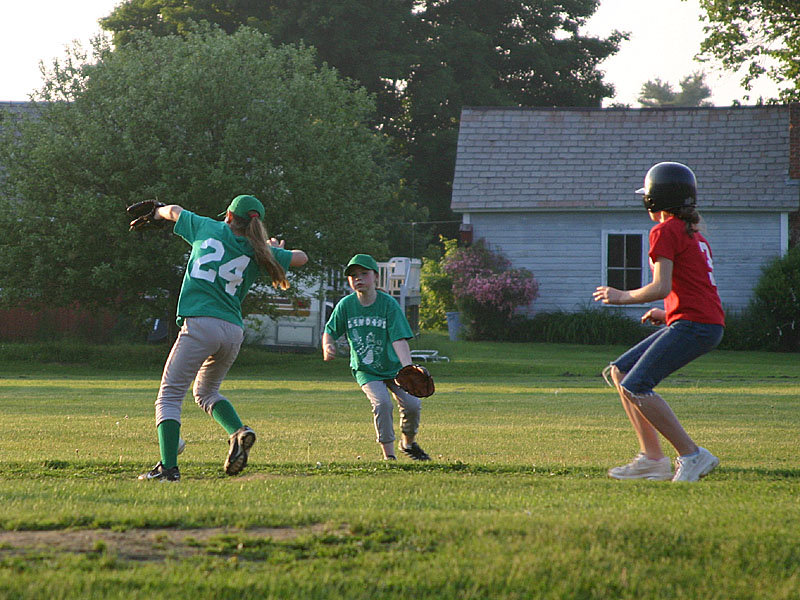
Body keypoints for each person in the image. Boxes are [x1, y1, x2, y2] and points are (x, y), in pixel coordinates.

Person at [136, 194, 308, 481]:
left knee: (169, 395)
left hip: (201, 325)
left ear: (228, 216)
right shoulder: (257, 249)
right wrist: (269, 249)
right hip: (232, 331)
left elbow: (175, 211)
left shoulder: (208, 227)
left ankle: (168, 469)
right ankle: (238, 432)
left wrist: (156, 212)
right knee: (205, 392)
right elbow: (302, 258)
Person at [593, 162, 724, 482]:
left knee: (636, 386)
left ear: (653, 200)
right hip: (700, 322)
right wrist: (669, 314)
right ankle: (652, 458)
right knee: (621, 371)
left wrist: (620, 296)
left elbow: (661, 287)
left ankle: (692, 455)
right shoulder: (694, 233)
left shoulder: (664, 230)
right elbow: (697, 290)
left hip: (696, 325)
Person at [322, 254, 430, 461]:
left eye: (364, 273)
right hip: (366, 369)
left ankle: (407, 444)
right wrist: (328, 345)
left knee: (413, 405)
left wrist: (408, 368)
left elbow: (399, 339)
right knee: (382, 404)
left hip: (394, 367)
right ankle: (389, 457)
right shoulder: (346, 305)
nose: (358, 278)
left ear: (375, 277)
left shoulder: (388, 304)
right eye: (353, 275)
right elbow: (330, 330)